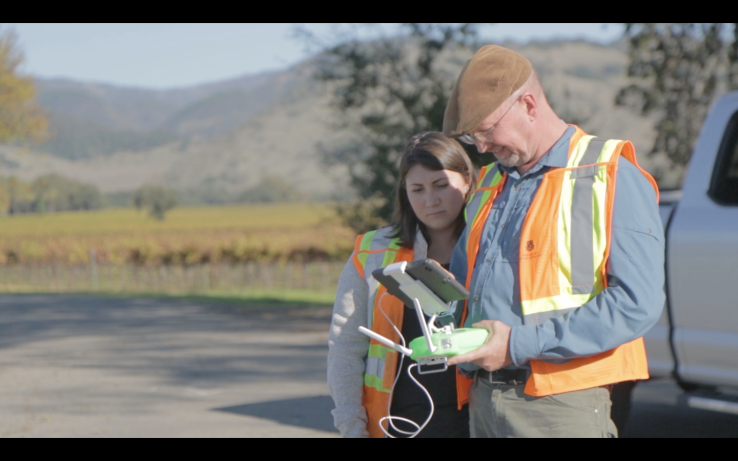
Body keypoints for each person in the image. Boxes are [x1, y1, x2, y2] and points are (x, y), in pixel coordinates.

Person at [442, 45, 665, 438]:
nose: (480, 148)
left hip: (561, 406)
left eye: (487, 131)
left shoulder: (610, 173)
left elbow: (636, 304)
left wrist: (517, 344)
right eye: (472, 137)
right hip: (483, 400)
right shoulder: (492, 183)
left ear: (528, 104)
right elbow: (464, 288)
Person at [327, 132, 478, 438]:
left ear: (466, 181)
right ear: (404, 193)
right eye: (417, 189)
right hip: (397, 426)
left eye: (441, 185)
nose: (430, 200)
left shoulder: (492, 245)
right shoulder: (373, 252)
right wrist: (351, 426)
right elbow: (345, 348)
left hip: (479, 423)